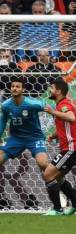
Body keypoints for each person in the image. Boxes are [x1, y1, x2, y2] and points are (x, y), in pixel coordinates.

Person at [0, 77, 49, 208]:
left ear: (23, 89)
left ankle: (60, 191)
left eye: (17, 86)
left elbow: (47, 108)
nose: (14, 89)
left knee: (43, 163)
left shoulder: (32, 104)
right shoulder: (6, 105)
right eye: (13, 86)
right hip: (16, 139)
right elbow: (3, 121)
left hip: (34, 138)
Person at [43, 78, 76, 216]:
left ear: (59, 91)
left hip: (71, 148)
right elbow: (67, 125)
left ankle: (57, 209)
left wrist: (52, 112)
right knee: (58, 178)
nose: (49, 90)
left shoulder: (64, 105)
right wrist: (53, 135)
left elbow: (71, 117)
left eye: (52, 87)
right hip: (68, 148)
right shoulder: (61, 105)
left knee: (48, 174)